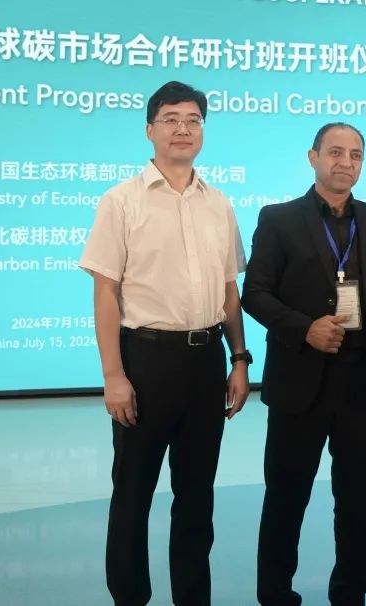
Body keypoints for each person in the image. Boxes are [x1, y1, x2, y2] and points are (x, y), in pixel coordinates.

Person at [78, 80, 252, 606]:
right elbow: (105, 292)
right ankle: (130, 596)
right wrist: (114, 375)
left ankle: (192, 597)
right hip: (146, 359)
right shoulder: (121, 201)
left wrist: (239, 359)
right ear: (150, 130)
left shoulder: (218, 203)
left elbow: (229, 290)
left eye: (193, 120)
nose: (183, 129)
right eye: (172, 119)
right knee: (133, 493)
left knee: (197, 496)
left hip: (206, 361)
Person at [242, 122, 366, 606]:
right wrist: (304, 328)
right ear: (313, 157)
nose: (346, 162)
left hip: (365, 384)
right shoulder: (278, 218)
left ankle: (350, 594)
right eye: (335, 152)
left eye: (355, 154)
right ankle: (275, 594)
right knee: (286, 498)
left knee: (360, 504)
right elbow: (254, 293)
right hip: (300, 380)